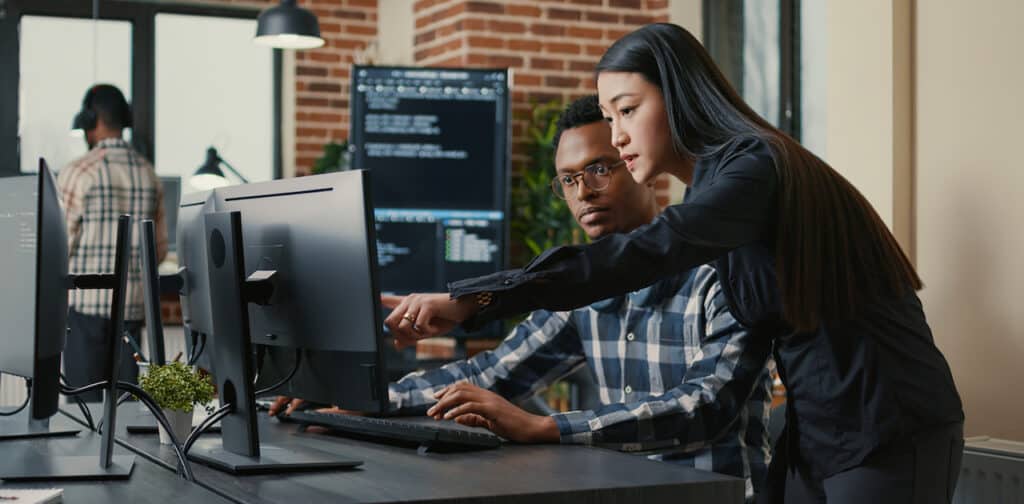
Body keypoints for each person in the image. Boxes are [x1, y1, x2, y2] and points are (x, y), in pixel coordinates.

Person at [383, 24, 964, 504]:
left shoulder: (753, 167)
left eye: (628, 111)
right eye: (611, 118)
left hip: (886, 421)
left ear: (679, 94)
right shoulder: (723, 189)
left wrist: (475, 298)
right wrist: (363, 398)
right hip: (820, 425)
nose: (619, 135)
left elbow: (651, 250)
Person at [273, 95, 775, 501]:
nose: (584, 192)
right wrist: (359, 402)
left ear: (638, 166)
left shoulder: (722, 273)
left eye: (600, 169)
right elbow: (488, 373)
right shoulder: (580, 292)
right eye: (570, 180)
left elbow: (705, 406)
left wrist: (543, 426)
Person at [59, 84, 168, 401]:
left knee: (85, 419)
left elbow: (59, 250)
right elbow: (158, 252)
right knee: (128, 419)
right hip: (131, 315)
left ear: (90, 121)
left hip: (85, 315)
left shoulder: (78, 172)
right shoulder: (149, 174)